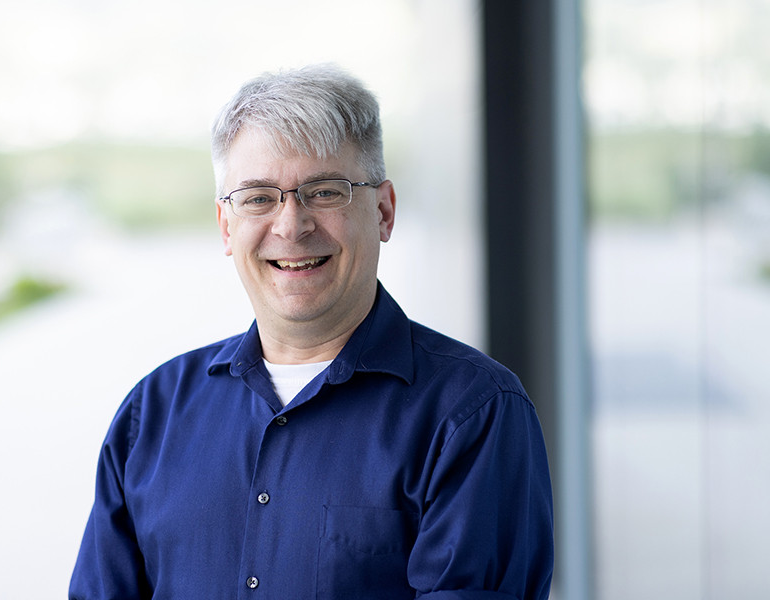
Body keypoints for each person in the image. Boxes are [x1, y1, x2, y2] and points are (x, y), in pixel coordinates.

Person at [69, 64, 554, 599]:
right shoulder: (153, 413)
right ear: (226, 226)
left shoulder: (473, 413)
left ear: (384, 211)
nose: (291, 225)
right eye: (258, 197)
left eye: (325, 192)